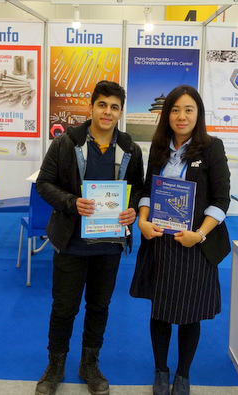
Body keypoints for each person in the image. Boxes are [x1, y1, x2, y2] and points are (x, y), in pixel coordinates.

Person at [34, 80, 145, 395]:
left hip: (109, 244)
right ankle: (55, 365)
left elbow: (138, 189)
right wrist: (71, 202)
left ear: (120, 112)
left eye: (114, 107)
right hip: (71, 242)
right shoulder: (66, 143)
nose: (107, 112)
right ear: (91, 106)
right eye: (102, 105)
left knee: (99, 306)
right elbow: (44, 183)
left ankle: (89, 364)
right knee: (64, 307)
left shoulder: (131, 149)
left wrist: (133, 209)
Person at [129, 85, 231, 395]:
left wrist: (199, 235)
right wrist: (142, 221)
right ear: (166, 115)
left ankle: (183, 373)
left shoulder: (212, 148)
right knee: (160, 309)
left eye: (188, 110)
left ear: (198, 114)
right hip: (160, 242)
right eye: (175, 110)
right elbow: (147, 190)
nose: (181, 116)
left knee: (190, 312)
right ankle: (161, 370)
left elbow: (221, 200)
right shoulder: (159, 148)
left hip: (194, 244)